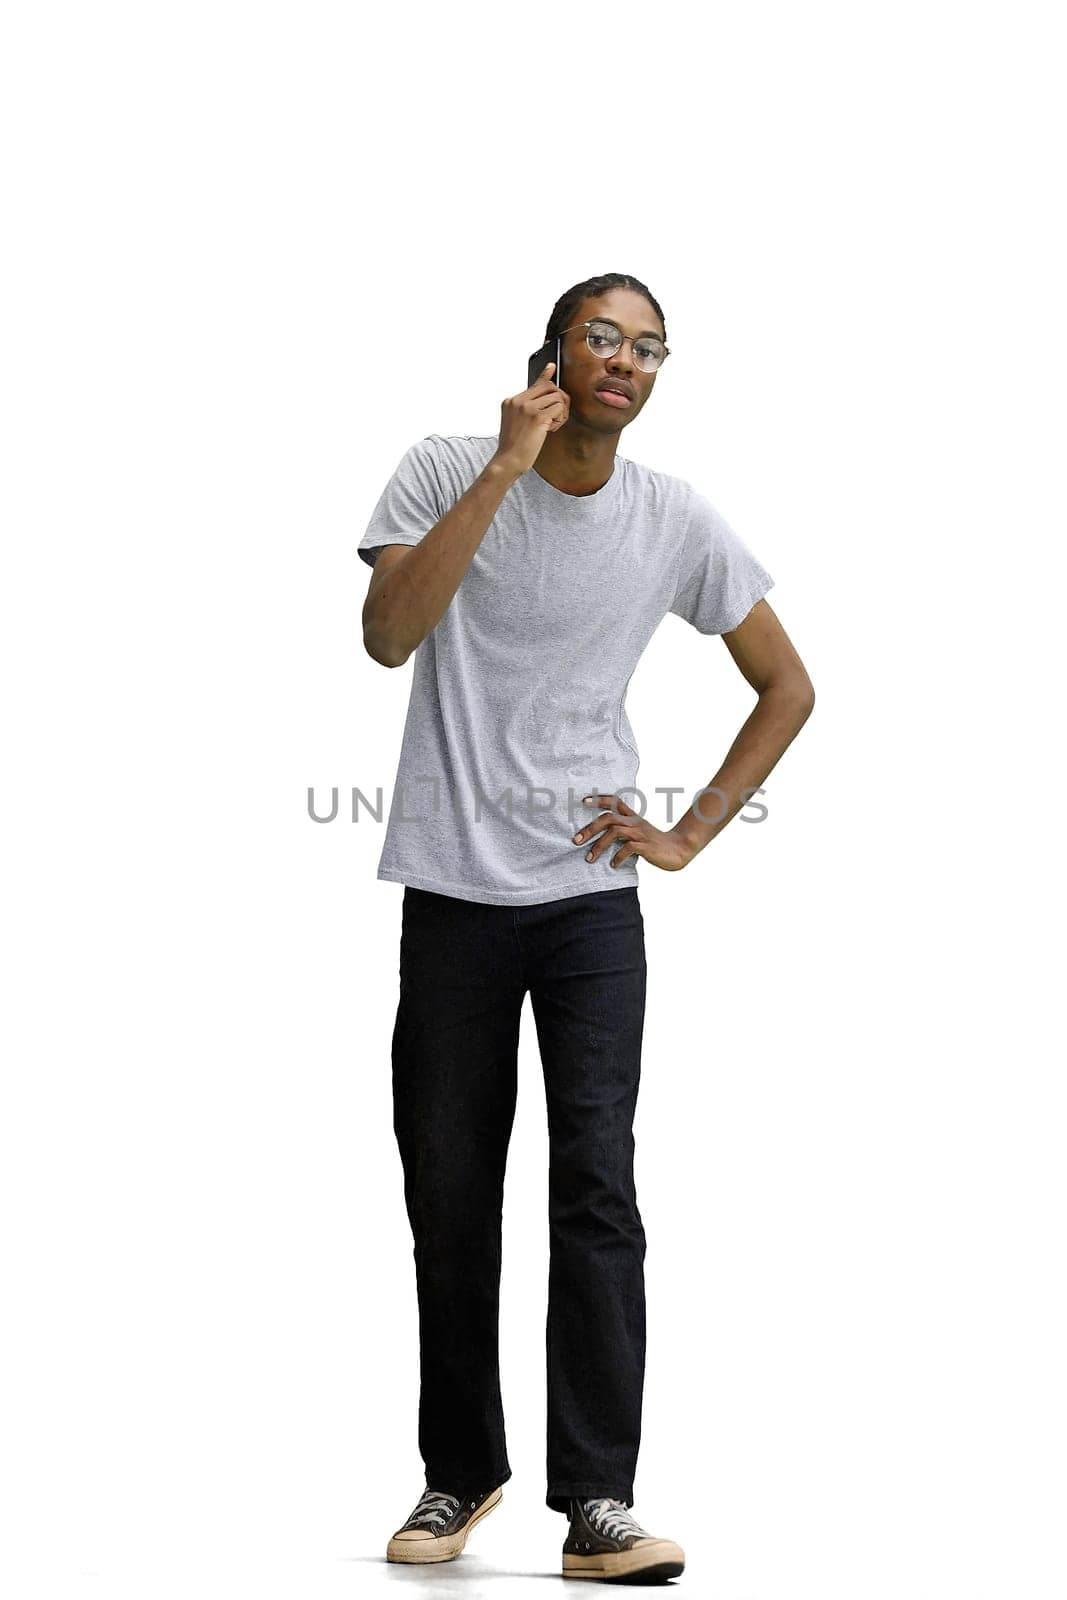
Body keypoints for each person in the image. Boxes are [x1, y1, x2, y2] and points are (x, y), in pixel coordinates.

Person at [358, 272, 815, 1582]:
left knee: (596, 1193)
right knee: (449, 1191)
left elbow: (788, 685)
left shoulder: (672, 517)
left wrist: (684, 835)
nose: (628, 360)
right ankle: (459, 1478)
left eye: (650, 347)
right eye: (605, 338)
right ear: (552, 356)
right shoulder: (445, 465)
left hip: (590, 914)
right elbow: (389, 636)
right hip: (452, 893)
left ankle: (599, 1501)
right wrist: (502, 467)